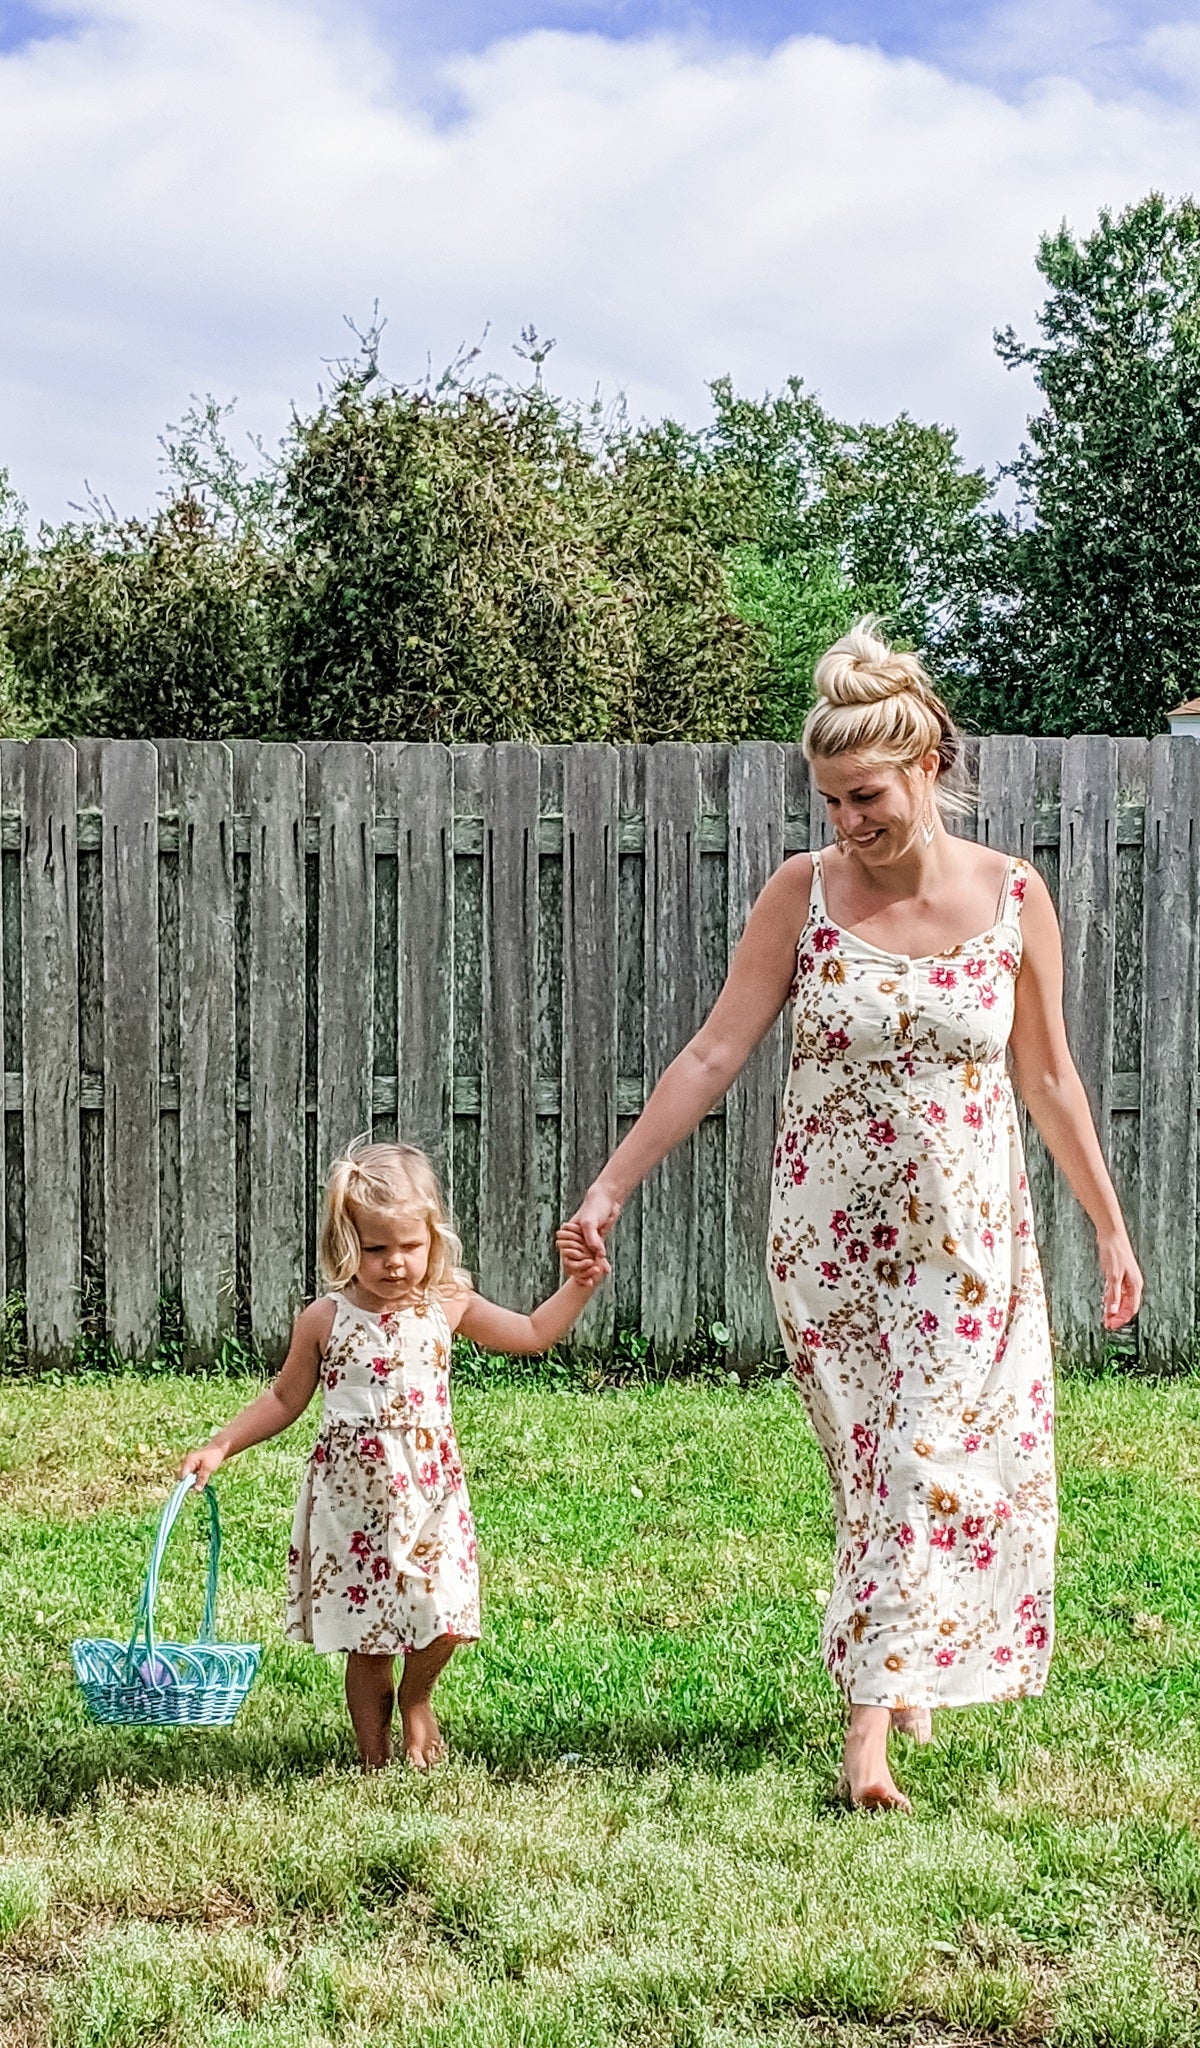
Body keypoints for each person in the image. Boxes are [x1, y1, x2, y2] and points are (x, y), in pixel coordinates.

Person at [557, 618, 1142, 1812]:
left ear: (927, 763)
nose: (848, 821)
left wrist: (1109, 1224)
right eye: (829, 800)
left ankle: (866, 1732)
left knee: (926, 1456)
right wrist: (611, 1184)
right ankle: (904, 1655)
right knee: (876, 1466)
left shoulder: (1015, 896)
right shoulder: (804, 893)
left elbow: (1049, 1076)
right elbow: (717, 1048)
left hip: (969, 1240)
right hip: (830, 1239)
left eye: (865, 794)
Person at [182, 1139, 599, 1771]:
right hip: (353, 1509)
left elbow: (534, 1333)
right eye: (376, 1249)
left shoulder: (446, 1304)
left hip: (429, 1495)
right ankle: (374, 1762)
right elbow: (284, 1397)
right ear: (346, 1244)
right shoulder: (324, 1319)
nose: (395, 1263)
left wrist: (578, 1285)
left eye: (409, 1246)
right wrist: (221, 1444)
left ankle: (418, 1695)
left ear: (433, 1237)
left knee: (448, 1616)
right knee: (368, 1641)